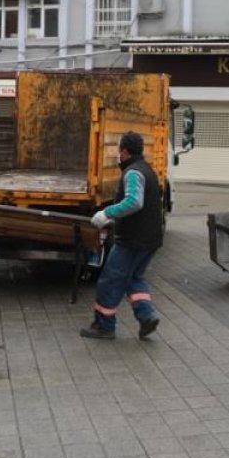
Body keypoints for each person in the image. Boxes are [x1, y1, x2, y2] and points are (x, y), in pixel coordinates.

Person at [82, 131, 163, 340]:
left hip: (133, 241)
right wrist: (114, 218)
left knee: (110, 280)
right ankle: (147, 317)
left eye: (119, 150)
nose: (118, 154)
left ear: (124, 152)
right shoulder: (146, 169)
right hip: (150, 239)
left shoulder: (133, 173)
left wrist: (106, 213)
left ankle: (104, 326)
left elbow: (135, 202)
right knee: (133, 278)